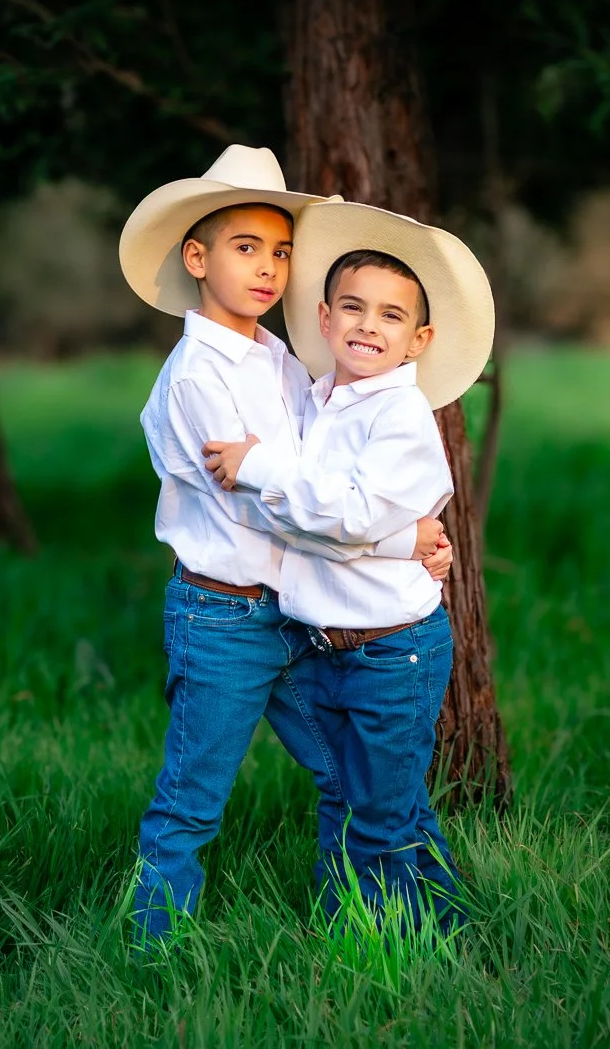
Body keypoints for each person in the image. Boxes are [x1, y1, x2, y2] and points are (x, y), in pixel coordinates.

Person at [118, 145, 454, 948]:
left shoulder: (280, 358)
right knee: (194, 794)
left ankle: (407, 927)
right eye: (245, 248)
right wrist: (399, 537)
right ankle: (149, 947)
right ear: (196, 258)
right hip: (226, 619)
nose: (268, 268)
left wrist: (391, 526)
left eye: (281, 252)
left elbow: (328, 478)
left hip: (296, 615)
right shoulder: (198, 374)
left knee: (354, 778)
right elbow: (272, 509)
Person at [202, 198, 495, 934]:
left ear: (419, 339)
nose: (370, 325)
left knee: (380, 816)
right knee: (352, 798)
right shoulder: (320, 399)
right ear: (325, 318)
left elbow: (349, 514)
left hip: (393, 651)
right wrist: (408, 538)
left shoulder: (400, 418)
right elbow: (313, 519)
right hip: (324, 647)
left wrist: (259, 465)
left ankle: (392, 948)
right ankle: (394, 926)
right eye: (354, 308)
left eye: (392, 316)